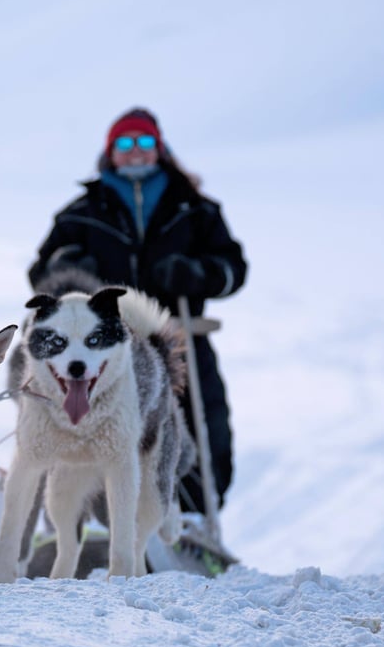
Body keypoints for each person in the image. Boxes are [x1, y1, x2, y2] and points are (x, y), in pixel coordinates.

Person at [27, 106, 247, 522]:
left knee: (201, 426)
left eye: (144, 142)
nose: (135, 152)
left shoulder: (195, 209)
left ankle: (194, 518)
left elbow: (234, 269)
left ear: (159, 149)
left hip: (182, 337)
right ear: (111, 153)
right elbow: (41, 274)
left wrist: (199, 274)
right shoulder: (82, 213)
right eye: (124, 144)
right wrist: (70, 269)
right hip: (103, 347)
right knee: (90, 424)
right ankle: (89, 519)